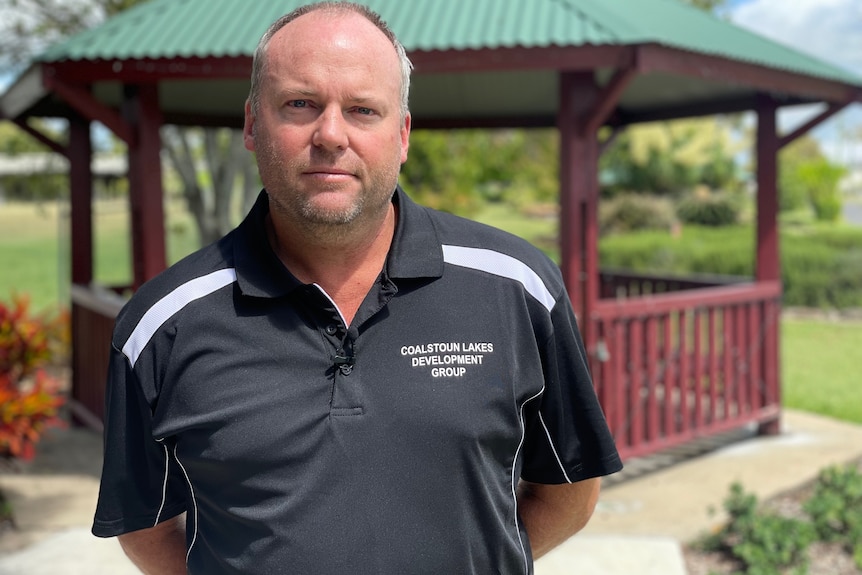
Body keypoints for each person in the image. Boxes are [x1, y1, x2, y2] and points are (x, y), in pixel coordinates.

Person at [91, 2, 623, 574]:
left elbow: (570, 491)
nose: (330, 134)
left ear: (401, 134)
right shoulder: (162, 326)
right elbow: (146, 527)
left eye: (363, 109)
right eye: (300, 104)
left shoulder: (518, 289)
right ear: (251, 123)